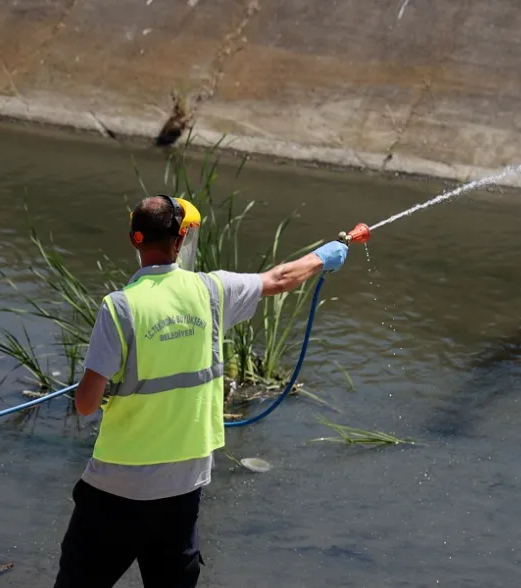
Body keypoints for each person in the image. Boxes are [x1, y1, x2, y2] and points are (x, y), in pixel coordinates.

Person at [53, 194, 349, 588]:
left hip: (117, 489)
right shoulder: (212, 292)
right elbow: (279, 278)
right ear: (180, 242)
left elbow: (86, 405)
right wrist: (323, 256)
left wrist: (104, 385)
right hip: (183, 488)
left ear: (134, 240)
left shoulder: (120, 307)